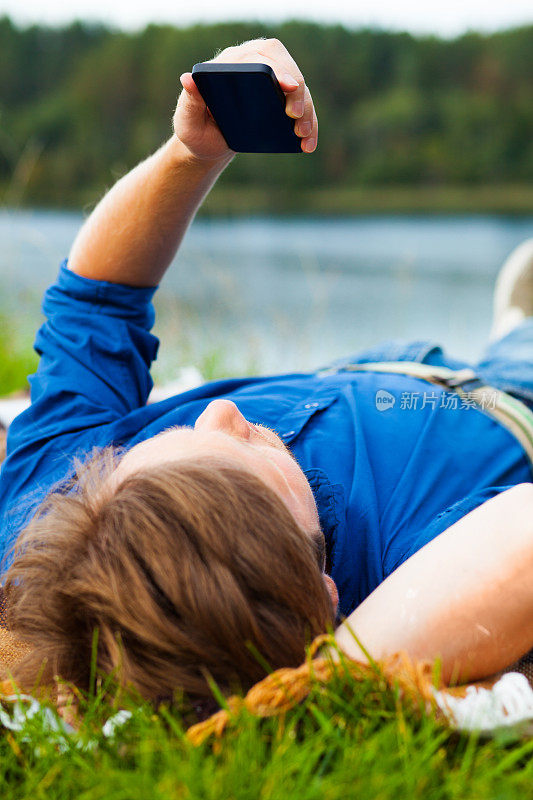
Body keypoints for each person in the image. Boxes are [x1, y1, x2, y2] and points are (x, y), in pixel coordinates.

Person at [0, 38, 532, 709]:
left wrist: (190, 155)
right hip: (507, 399)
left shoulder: (50, 490)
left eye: (169, 441)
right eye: (247, 450)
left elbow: (94, 296)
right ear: (324, 587)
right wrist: (329, 674)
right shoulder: (407, 577)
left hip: (384, 368)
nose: (219, 414)